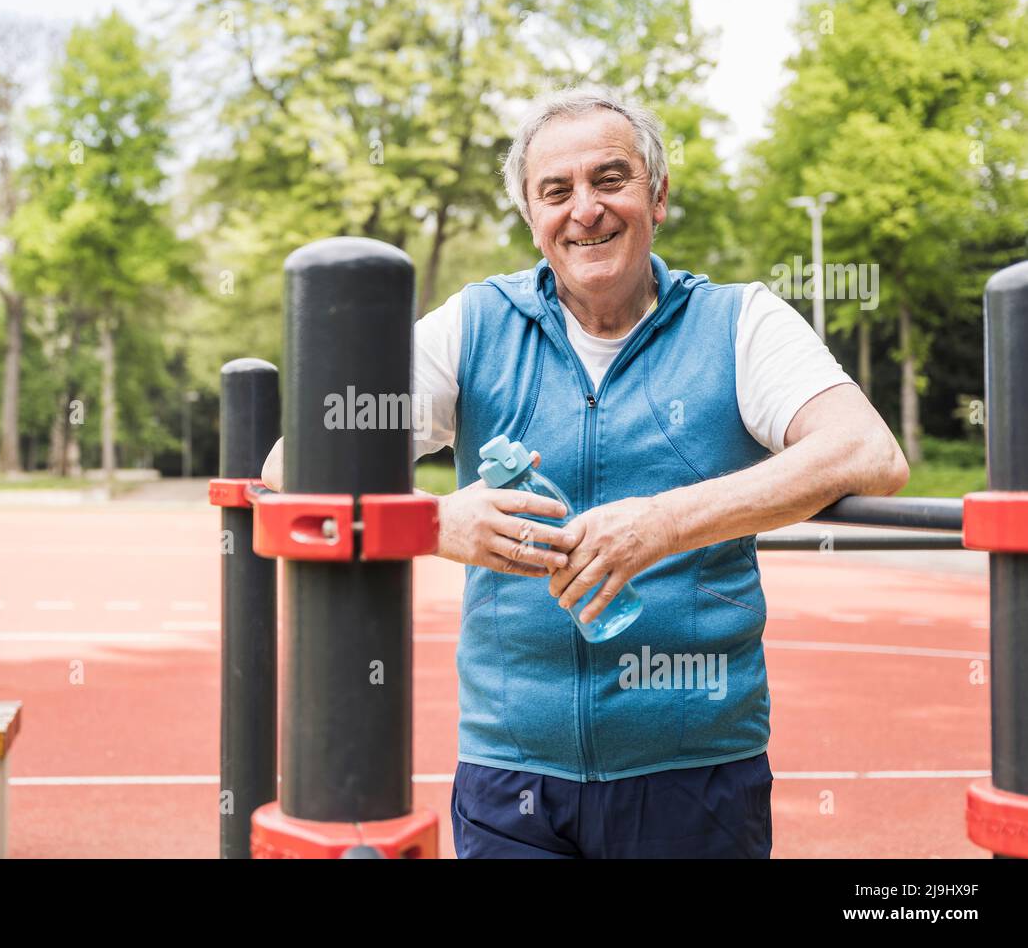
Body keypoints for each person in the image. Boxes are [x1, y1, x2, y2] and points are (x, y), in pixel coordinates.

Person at [261, 87, 908, 858]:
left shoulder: (740, 321)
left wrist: (661, 523)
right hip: (512, 780)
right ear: (532, 218)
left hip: (696, 774)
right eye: (556, 191)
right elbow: (293, 462)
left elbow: (868, 451)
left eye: (610, 179)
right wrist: (437, 522)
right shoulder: (473, 324)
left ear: (658, 195)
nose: (586, 209)